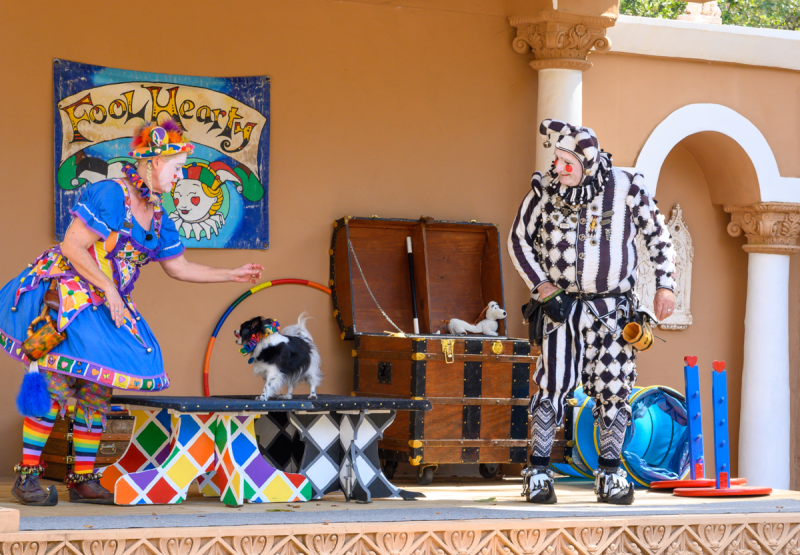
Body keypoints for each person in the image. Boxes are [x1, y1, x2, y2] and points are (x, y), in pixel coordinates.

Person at [0, 120, 265, 505]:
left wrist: (232, 274)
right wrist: (109, 289)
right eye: (176, 167)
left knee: (96, 387)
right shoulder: (110, 193)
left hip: (107, 303)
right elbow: (72, 247)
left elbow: (179, 267)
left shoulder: (159, 218)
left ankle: (83, 479)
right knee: (59, 385)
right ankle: (26, 478)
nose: (179, 176)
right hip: (70, 296)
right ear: (153, 163)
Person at [508, 119, 676, 505]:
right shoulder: (544, 190)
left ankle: (611, 473)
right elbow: (518, 239)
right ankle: (537, 471)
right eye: (557, 159)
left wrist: (665, 284)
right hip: (559, 310)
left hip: (612, 311)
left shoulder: (626, 186)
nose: (559, 168)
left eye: (568, 162)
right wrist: (543, 286)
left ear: (588, 161)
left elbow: (657, 236)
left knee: (614, 390)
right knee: (552, 386)